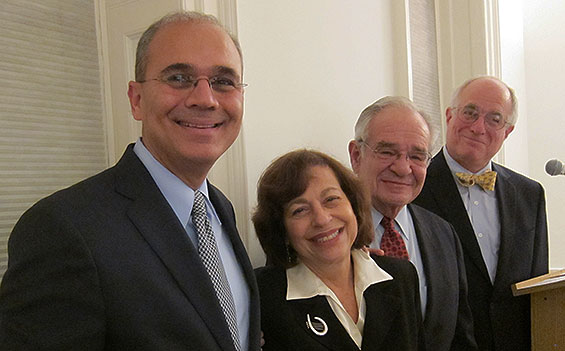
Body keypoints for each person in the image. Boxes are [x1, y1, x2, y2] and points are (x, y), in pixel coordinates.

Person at [0, 11, 261, 350]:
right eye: (179, 78)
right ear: (136, 99)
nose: (205, 98)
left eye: (224, 81)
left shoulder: (218, 208)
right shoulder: (62, 228)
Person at [413, 76, 549, 351]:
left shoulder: (529, 195)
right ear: (450, 115)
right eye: (470, 112)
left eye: (494, 119)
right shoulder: (414, 188)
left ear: (507, 131)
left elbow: (538, 292)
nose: (478, 127)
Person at [253, 149, 425, 351]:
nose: (322, 219)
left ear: (353, 204)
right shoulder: (262, 296)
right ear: (282, 230)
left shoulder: (401, 277)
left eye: (331, 199)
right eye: (299, 210)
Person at [348, 96, 477, 351]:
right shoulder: (328, 234)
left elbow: (460, 337)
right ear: (356, 156)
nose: (403, 168)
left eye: (417, 156)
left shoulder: (444, 233)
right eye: (387, 152)